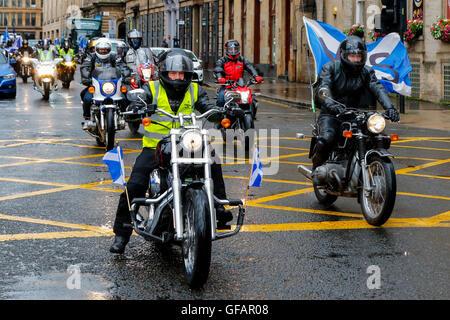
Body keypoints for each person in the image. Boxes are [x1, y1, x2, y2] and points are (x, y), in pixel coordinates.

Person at [110, 48, 234, 254]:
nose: (178, 77)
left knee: (211, 158)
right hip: (156, 147)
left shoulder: (194, 90)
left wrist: (221, 114)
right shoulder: (151, 88)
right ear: (165, 73)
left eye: (182, 74)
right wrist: (136, 107)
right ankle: (122, 233)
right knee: (135, 184)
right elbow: (136, 104)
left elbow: (206, 107)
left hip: (186, 143)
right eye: (174, 73)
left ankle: (219, 207)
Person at [311, 36, 400, 174]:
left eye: (359, 56)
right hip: (332, 113)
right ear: (344, 55)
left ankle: (374, 167)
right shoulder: (330, 68)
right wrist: (331, 104)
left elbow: (377, 88)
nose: (356, 59)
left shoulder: (367, 71)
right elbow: (323, 89)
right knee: (326, 139)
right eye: (352, 56)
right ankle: (316, 168)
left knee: (381, 137)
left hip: (357, 114)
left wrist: (390, 108)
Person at [80, 38, 131, 126]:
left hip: (113, 84)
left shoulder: (114, 56)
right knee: (87, 98)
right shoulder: (91, 57)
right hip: (96, 84)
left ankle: (123, 115)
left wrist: (126, 76)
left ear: (109, 50)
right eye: (101, 50)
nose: (103, 52)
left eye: (105, 50)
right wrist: (86, 78)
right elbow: (85, 67)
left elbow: (121, 66)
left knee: (124, 97)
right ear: (97, 49)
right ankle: (88, 117)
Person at [213, 40, 263, 109]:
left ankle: (251, 114)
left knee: (251, 99)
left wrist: (256, 76)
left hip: (240, 86)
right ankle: (220, 117)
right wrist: (220, 78)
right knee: (221, 100)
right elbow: (218, 69)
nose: (233, 51)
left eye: (235, 49)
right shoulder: (222, 60)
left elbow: (250, 67)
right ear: (227, 50)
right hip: (227, 86)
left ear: (238, 49)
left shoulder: (242, 60)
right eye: (230, 49)